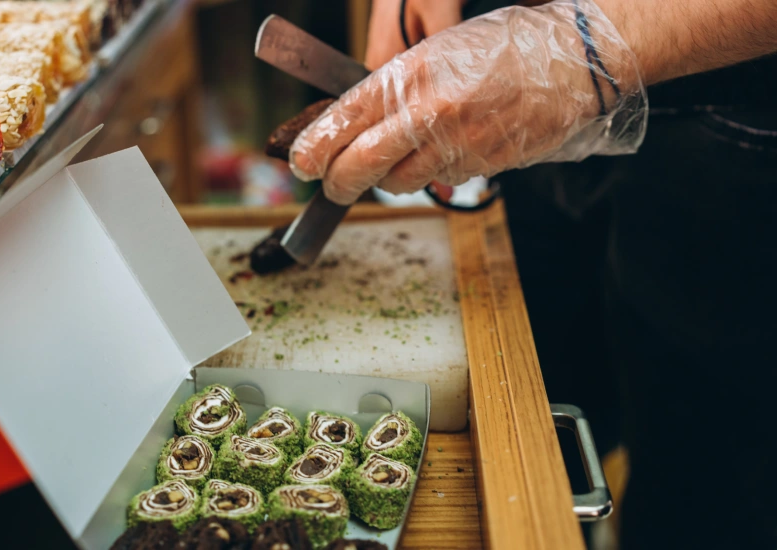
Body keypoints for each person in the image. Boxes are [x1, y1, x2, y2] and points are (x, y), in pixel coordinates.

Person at [288, 1, 777, 549]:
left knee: (703, 491)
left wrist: (589, 47)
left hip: (734, 118)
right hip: (513, 92)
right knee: (533, 448)